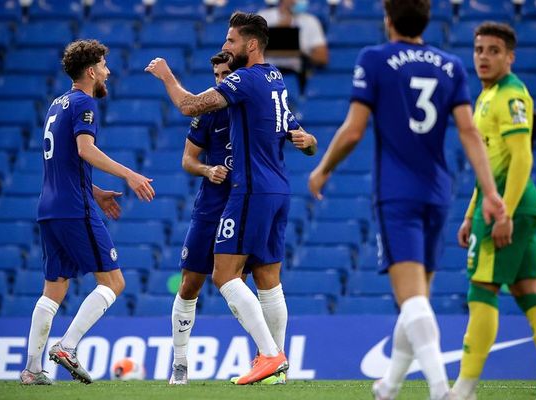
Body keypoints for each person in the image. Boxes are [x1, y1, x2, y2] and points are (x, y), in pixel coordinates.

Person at [307, 1, 505, 399]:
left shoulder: (375, 58)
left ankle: (440, 390)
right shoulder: (450, 65)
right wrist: (491, 191)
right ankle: (389, 385)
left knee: (411, 300)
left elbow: (353, 130)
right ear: (426, 20)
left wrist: (323, 166)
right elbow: (468, 132)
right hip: (438, 192)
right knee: (418, 300)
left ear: (388, 19)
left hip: (398, 193)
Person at [146, 12, 316, 385]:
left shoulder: (245, 78)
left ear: (250, 45)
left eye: (231, 41)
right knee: (268, 278)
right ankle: (277, 366)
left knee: (225, 276)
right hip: (278, 189)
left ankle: (271, 356)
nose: (225, 47)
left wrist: (167, 77)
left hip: (250, 189)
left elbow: (189, 106)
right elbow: (294, 129)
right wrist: (310, 141)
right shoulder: (275, 78)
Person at [451, 22, 536, 400]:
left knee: (481, 291)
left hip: (507, 209)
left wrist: (502, 212)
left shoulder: (511, 96)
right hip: (501, 206)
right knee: (529, 292)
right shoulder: (486, 96)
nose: (484, 57)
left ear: (510, 57)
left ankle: (463, 390)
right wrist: (469, 211)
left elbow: (522, 157)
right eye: (479, 50)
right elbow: (488, 161)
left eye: (493, 50)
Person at [20, 39, 155, 385]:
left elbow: (62, 162)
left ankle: (33, 369)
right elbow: (84, 150)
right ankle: (67, 346)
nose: (108, 72)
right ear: (92, 71)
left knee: (54, 288)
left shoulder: (56, 105)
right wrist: (130, 174)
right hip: (72, 209)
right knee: (114, 281)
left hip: (49, 207)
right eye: (105, 66)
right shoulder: (83, 103)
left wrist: (94, 192)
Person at [258, 0, 328, 89]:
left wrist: (301, 52)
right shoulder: (263, 17)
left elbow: (323, 57)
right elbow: (249, 50)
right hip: (265, 73)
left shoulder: (311, 21)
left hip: (295, 75)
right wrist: (279, 33)